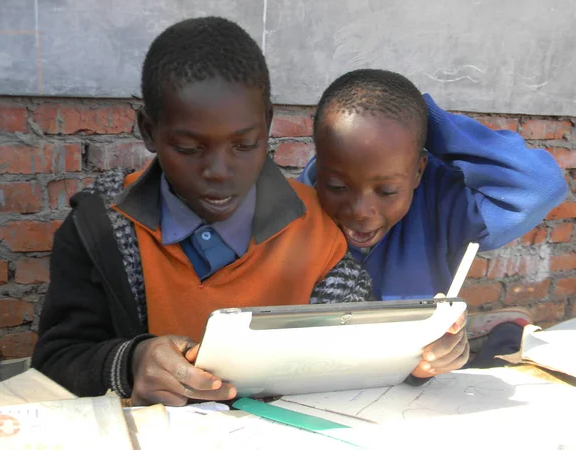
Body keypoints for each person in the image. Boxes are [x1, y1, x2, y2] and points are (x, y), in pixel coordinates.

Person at [32, 17, 374, 406]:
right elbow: (56, 360)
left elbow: (354, 361)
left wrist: (422, 355)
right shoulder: (99, 229)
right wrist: (131, 361)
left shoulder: (319, 231)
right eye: (190, 149)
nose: (218, 171)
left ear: (267, 124)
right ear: (148, 130)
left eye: (244, 145)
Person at [300, 69, 567, 378]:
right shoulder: (290, 217)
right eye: (336, 186)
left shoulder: (440, 203)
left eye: (387, 191)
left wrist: (426, 122)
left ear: (417, 171)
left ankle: (497, 334)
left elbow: (540, 186)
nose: (360, 211)